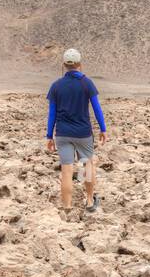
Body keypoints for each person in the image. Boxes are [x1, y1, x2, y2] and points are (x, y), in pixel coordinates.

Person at [45, 48, 107, 211]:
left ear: (64, 65)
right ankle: (89, 201)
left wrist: (49, 135)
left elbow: (52, 113)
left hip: (63, 134)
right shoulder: (87, 83)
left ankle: (67, 206)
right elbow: (97, 108)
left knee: (67, 171)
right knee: (87, 166)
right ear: (80, 64)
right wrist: (103, 128)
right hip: (83, 133)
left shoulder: (56, 86)